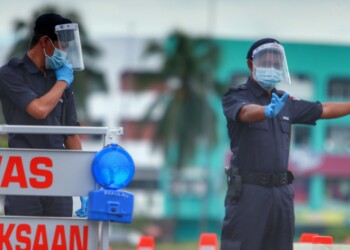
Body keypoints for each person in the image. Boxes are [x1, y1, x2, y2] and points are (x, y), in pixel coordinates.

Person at [221, 38, 350, 250]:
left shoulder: (285, 101)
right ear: (251, 64)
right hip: (249, 192)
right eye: (266, 62)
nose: (272, 67)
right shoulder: (236, 96)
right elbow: (244, 112)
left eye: (276, 63)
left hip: (281, 193)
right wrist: (265, 111)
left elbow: (324, 109)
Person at [0, 13, 81, 217]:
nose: (65, 53)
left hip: (58, 174)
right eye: (62, 46)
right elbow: (38, 109)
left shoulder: (60, 78)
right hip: (23, 174)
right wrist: (62, 83)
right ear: (45, 42)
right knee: (25, 239)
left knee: (59, 239)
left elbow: (71, 134)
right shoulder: (10, 74)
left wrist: (82, 184)